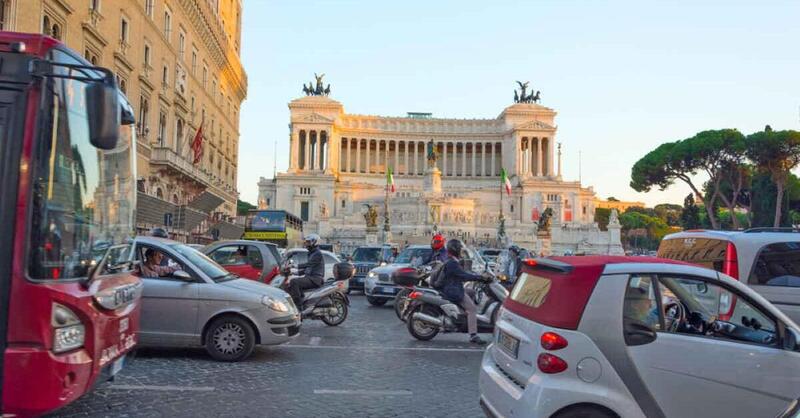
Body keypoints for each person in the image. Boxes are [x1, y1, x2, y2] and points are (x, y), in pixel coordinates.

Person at [437, 239, 491, 345]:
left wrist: (476, 275)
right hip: (453, 290)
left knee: (471, 292)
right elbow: (464, 276)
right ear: (455, 249)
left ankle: (462, 314)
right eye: (460, 249)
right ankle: (473, 335)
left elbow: (462, 274)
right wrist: (480, 278)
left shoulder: (451, 261)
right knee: (472, 309)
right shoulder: (452, 263)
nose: (461, 251)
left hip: (452, 286)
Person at [285, 234, 325, 308]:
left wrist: (294, 266)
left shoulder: (317, 253)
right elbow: (307, 269)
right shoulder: (312, 253)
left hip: (315, 279)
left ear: (314, 242)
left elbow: (308, 264)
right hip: (311, 277)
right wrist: (293, 272)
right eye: (306, 242)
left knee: (294, 282)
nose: (306, 244)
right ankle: (303, 301)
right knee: (294, 283)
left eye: (308, 242)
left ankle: (298, 305)